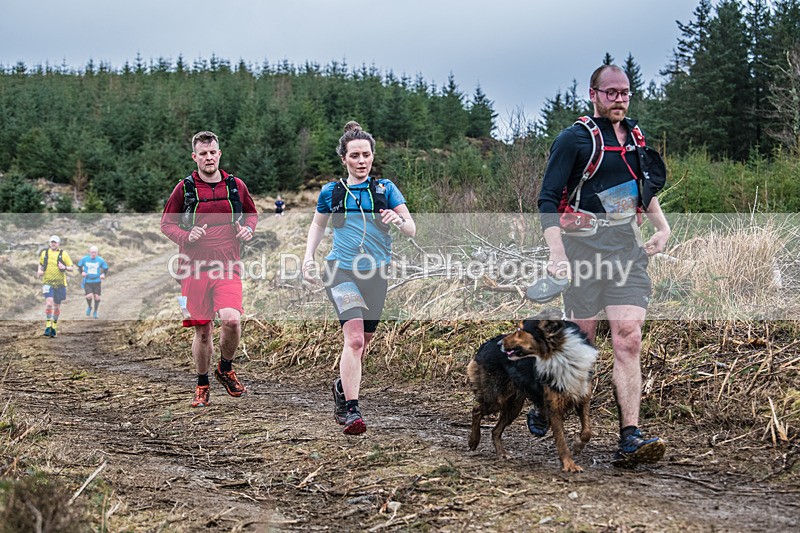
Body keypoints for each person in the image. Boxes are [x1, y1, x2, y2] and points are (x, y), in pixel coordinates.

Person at [536, 65, 671, 467]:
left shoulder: (637, 139)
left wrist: (662, 227)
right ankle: (548, 400)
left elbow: (642, 192)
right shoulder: (575, 139)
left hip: (627, 253)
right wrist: (557, 254)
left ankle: (630, 436)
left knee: (628, 337)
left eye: (625, 92)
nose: (619, 99)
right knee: (584, 346)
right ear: (592, 94)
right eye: (610, 92)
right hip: (582, 253)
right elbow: (547, 199)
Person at [302, 121, 416, 435]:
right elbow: (318, 226)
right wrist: (307, 258)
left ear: (372, 156)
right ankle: (352, 411)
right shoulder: (333, 191)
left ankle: (342, 386)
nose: (361, 161)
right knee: (352, 339)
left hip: (376, 274)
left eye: (366, 154)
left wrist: (398, 219)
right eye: (355, 155)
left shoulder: (385, 189)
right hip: (340, 271)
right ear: (344, 159)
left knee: (363, 345)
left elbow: (411, 228)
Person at [161, 130, 258, 408]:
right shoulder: (184, 188)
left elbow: (251, 214)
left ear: (219, 154)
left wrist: (248, 230)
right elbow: (167, 224)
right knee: (202, 331)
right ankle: (202, 384)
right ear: (195, 157)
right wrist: (185, 236)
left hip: (227, 264)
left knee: (232, 320)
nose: (208, 157)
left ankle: (225, 368)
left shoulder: (235, 185)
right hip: (193, 268)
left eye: (212, 152)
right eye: (202, 153)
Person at [37, 235, 74, 337]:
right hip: (47, 282)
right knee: (49, 303)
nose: (53, 244)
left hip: (60, 284)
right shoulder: (45, 253)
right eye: (51, 242)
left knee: (57, 306)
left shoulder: (63, 254)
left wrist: (64, 267)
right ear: (49, 243)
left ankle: (54, 326)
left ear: (58, 244)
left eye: (55, 242)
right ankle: (48, 326)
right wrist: (39, 271)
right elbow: (40, 264)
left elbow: (71, 268)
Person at [76, 246, 109, 319]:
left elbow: (106, 268)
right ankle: (89, 306)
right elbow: (79, 266)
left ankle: (95, 311)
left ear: (97, 253)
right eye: (92, 252)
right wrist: (82, 272)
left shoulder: (100, 260)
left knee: (97, 297)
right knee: (89, 296)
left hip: (97, 281)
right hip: (88, 281)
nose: (93, 254)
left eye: (95, 252)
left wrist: (103, 274)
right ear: (89, 252)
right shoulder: (85, 259)